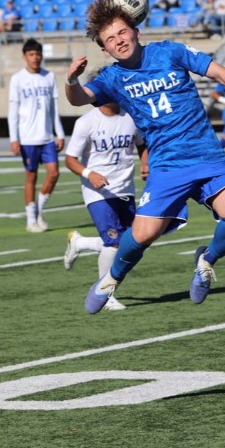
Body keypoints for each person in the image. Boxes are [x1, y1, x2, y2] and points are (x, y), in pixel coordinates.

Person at [64, 0, 225, 314]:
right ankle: (110, 279)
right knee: (142, 236)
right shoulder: (112, 78)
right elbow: (78, 98)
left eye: (122, 32)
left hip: (207, 156)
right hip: (167, 166)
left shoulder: (170, 52)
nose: (118, 40)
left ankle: (206, 260)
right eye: (110, 39)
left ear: (136, 31)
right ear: (105, 50)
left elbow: (220, 73)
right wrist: (71, 80)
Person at [63, 77, 149, 312]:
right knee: (114, 242)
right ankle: (105, 294)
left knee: (133, 242)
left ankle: (80, 243)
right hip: (97, 192)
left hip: (125, 189)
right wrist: (89, 174)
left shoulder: (131, 117)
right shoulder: (86, 122)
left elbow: (142, 144)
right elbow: (70, 160)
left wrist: (145, 162)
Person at [7, 38, 65, 233]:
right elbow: (13, 111)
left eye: (38, 54)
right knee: (31, 177)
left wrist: (59, 133)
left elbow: (54, 109)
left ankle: (38, 209)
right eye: (31, 54)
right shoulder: (17, 79)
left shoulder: (50, 77)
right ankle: (31, 220)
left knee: (54, 173)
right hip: (27, 138)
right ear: (25, 56)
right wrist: (14, 138)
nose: (35, 57)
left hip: (47, 137)